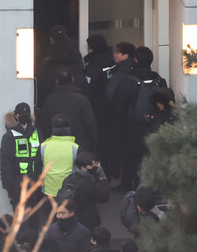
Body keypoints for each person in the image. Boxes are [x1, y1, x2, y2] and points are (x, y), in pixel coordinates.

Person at [118, 46, 167, 191]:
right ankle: (149, 186)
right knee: (150, 156)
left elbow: (119, 106)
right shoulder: (160, 81)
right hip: (154, 126)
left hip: (131, 127)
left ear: (136, 60)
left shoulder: (127, 82)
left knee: (130, 157)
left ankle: (127, 184)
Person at [39, 69, 98, 153]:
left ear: (56, 81)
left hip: (55, 147)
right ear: (73, 79)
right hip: (79, 147)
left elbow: (44, 125)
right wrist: (93, 144)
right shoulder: (82, 100)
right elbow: (90, 124)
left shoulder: (49, 100)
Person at [0, 102, 42, 213]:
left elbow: (42, 158)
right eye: (20, 114)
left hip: (34, 183)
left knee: (34, 219)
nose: (23, 117)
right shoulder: (10, 136)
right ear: (15, 116)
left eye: (26, 114)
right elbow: (5, 164)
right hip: (17, 184)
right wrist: (9, 188)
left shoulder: (37, 133)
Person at [104, 41, 136, 182]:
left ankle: (119, 175)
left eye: (118, 52)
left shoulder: (119, 72)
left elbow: (109, 94)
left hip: (118, 116)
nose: (114, 55)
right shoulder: (134, 69)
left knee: (119, 147)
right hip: (131, 116)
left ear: (125, 55)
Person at [83, 34, 115, 169]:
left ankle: (103, 170)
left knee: (99, 142)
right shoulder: (112, 63)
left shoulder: (93, 67)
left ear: (91, 49)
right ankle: (114, 168)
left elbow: (89, 90)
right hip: (113, 108)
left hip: (97, 110)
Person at [38, 25, 87, 107]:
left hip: (53, 98)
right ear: (66, 36)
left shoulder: (47, 55)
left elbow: (44, 80)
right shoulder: (75, 53)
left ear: (51, 39)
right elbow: (81, 74)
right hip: (75, 96)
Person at [60, 150, 109, 230]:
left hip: (71, 220)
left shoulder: (68, 179)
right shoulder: (89, 183)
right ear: (83, 168)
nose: (95, 167)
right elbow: (104, 197)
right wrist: (102, 178)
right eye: (92, 165)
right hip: (88, 222)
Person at [40, 115, 79, 205]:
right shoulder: (75, 148)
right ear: (68, 129)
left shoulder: (43, 147)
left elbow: (38, 168)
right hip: (68, 190)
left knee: (51, 217)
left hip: (48, 191)